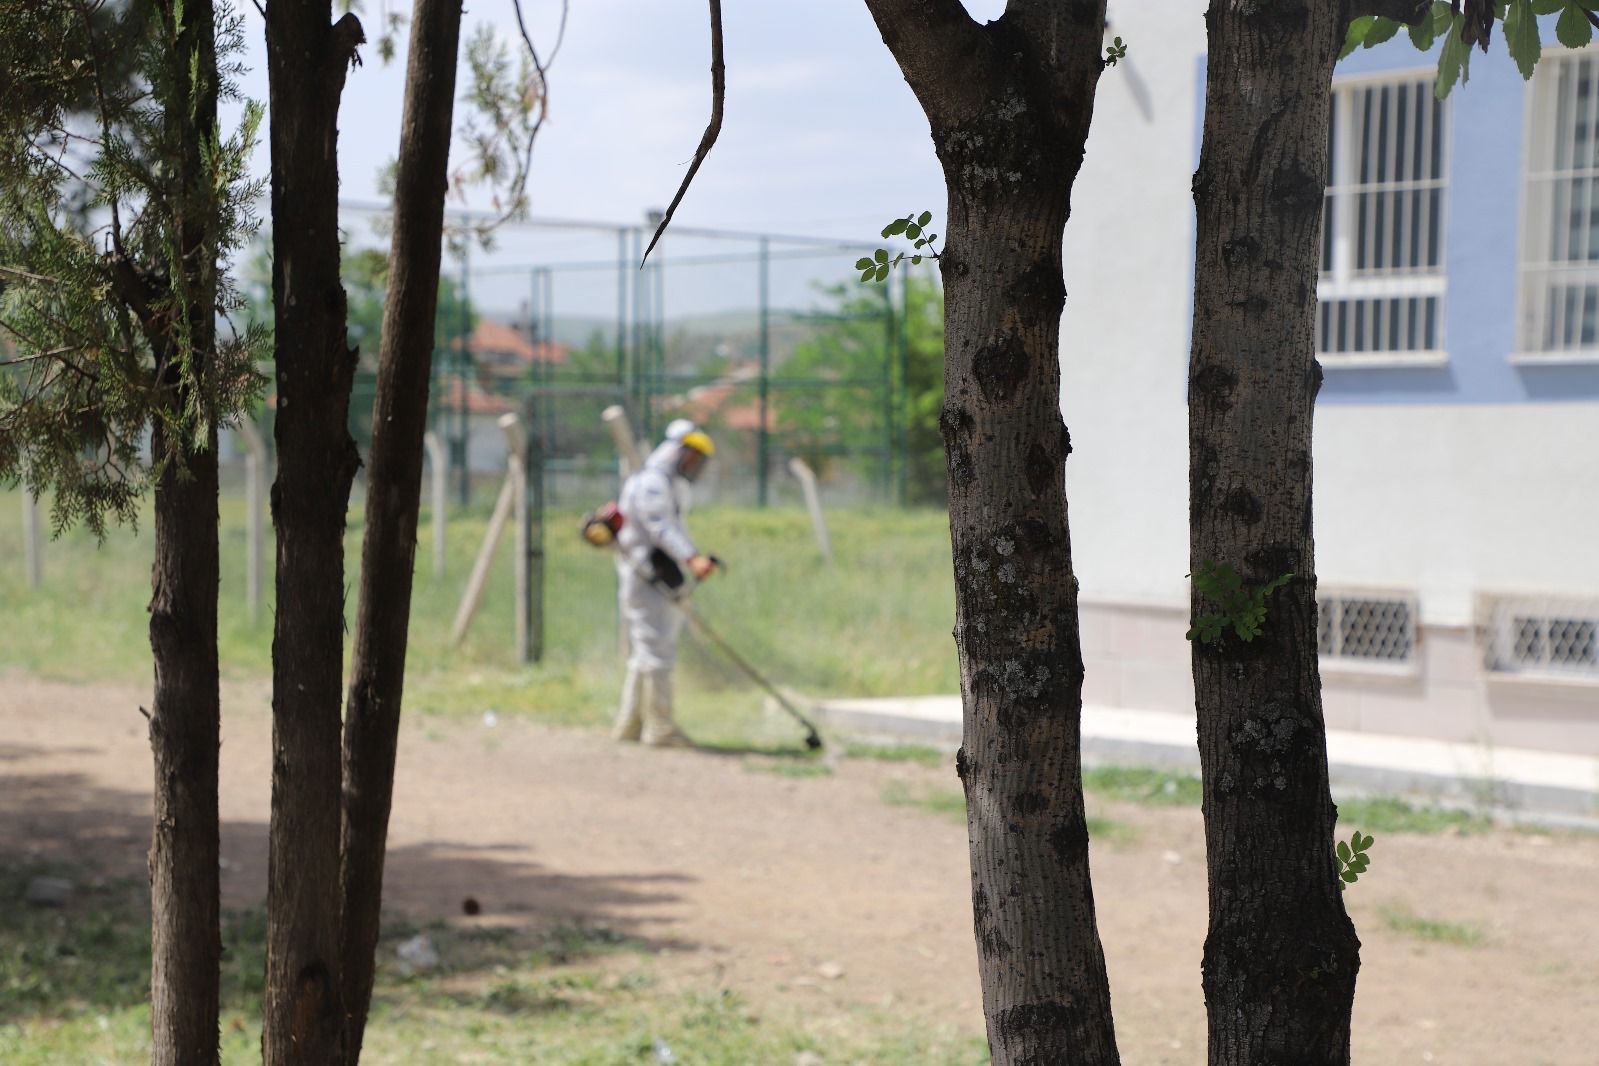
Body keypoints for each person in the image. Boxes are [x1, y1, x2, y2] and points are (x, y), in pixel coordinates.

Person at [612, 426, 717, 747]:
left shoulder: (669, 484)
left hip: (659, 577)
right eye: (694, 458)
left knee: (646, 652)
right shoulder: (652, 484)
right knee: (658, 653)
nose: (696, 466)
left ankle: (630, 724)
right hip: (647, 578)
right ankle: (660, 727)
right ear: (679, 452)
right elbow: (661, 528)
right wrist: (692, 558)